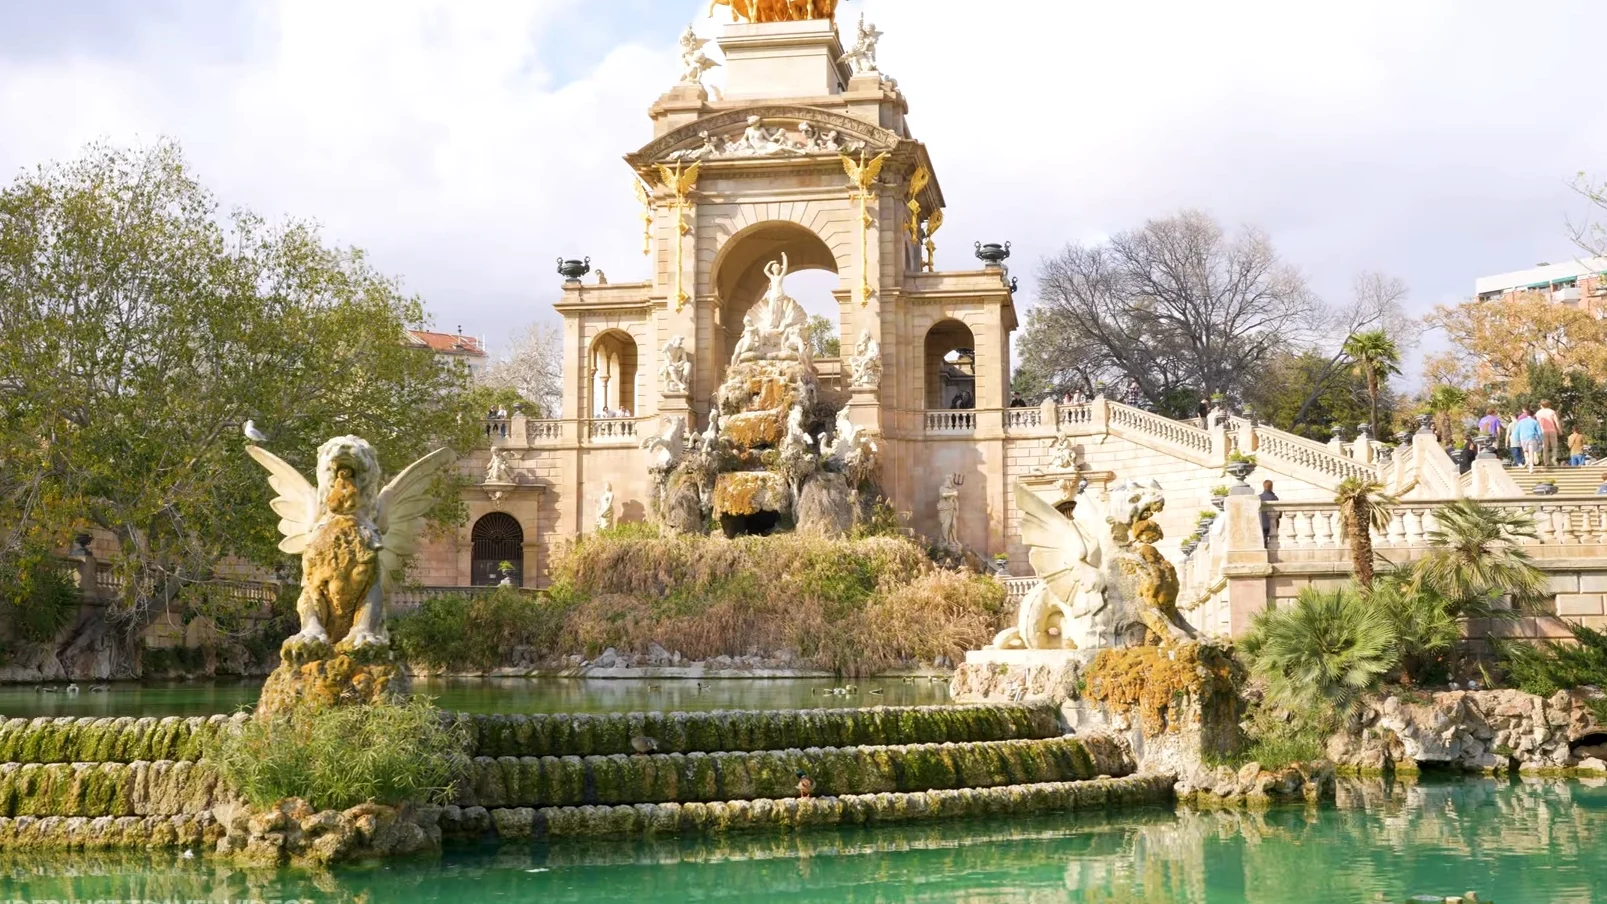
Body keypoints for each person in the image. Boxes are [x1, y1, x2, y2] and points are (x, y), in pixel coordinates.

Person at [1512, 409, 1542, 474]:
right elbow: (1539, 433)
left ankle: (1527, 460)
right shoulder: (1535, 422)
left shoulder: (1521, 422)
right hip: (1532, 438)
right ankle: (1531, 467)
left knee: (1525, 451)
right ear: (1533, 415)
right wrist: (1541, 440)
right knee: (1531, 453)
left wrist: (1516, 440)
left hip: (1523, 438)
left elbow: (1516, 432)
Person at [1535, 399, 1561, 468]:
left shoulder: (1538, 413)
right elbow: (1557, 422)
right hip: (1552, 430)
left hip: (1543, 431)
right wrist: (1559, 430)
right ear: (1549, 405)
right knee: (1554, 446)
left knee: (1545, 447)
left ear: (1541, 405)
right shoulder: (1552, 412)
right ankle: (1553, 459)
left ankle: (1546, 462)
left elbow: (1537, 423)